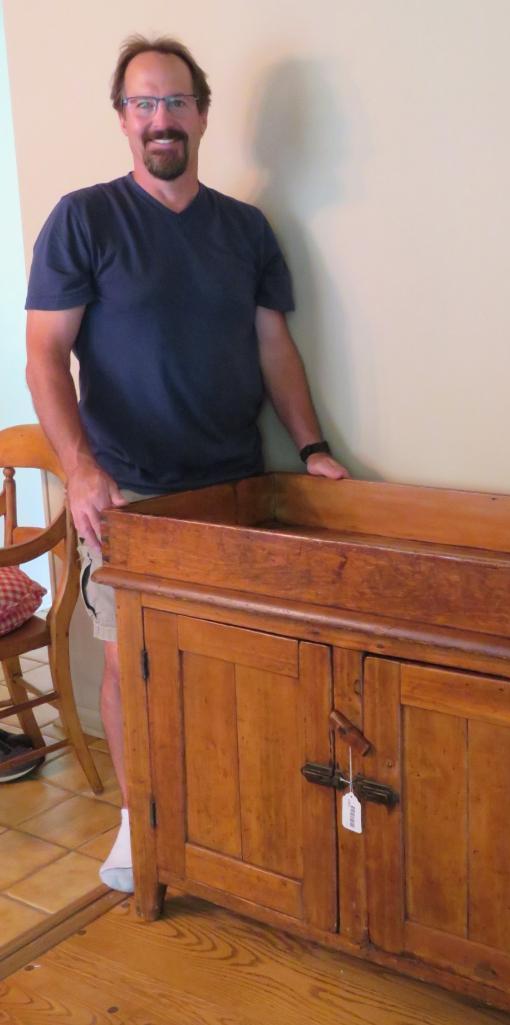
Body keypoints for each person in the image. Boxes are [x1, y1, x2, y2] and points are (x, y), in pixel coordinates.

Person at [24, 35, 349, 893]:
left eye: (175, 102)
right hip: (129, 495)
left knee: (231, 666)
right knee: (132, 666)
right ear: (123, 119)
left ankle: (231, 818)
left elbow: (274, 346)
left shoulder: (245, 229)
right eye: (143, 104)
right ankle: (144, 824)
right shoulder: (84, 217)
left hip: (234, 488)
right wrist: (83, 472)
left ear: (202, 113)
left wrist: (312, 448)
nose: (160, 119)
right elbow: (44, 358)